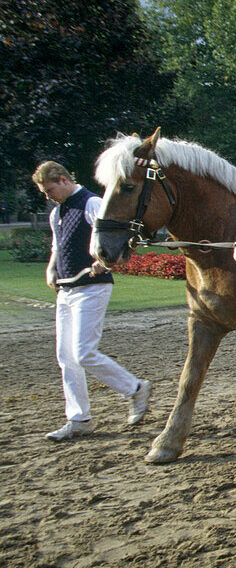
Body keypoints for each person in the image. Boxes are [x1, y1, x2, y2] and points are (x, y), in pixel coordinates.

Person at [31, 161, 151, 440]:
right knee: (66, 358)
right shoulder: (57, 212)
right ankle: (79, 419)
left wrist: (105, 262)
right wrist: (52, 269)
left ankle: (135, 389)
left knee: (83, 352)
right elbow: (56, 247)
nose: (47, 196)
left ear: (63, 179)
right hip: (66, 291)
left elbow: (118, 238)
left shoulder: (92, 203)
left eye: (49, 190)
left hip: (92, 288)